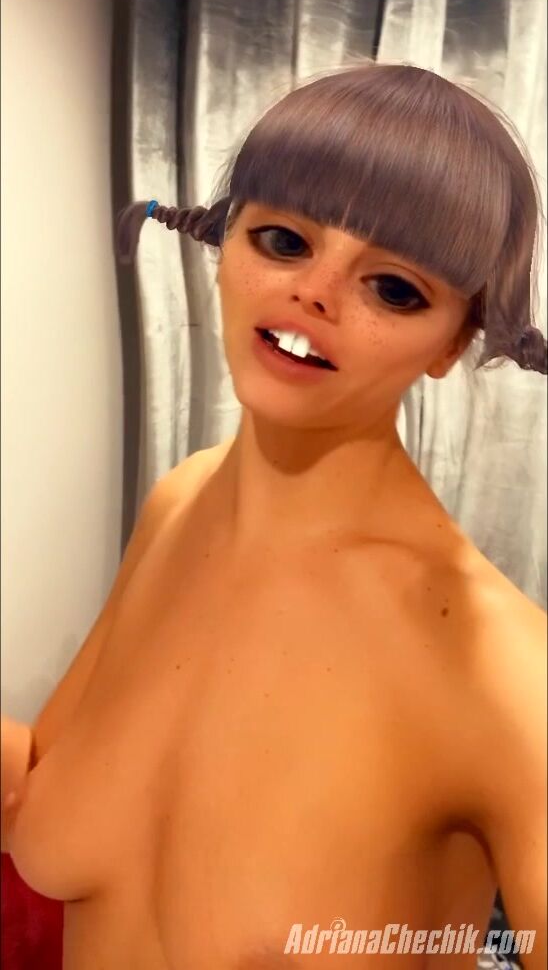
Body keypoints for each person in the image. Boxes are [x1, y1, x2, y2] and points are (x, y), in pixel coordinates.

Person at [2, 63, 547, 969]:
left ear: (454, 342)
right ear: (227, 243)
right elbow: (38, 782)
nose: (315, 293)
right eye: (284, 240)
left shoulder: (504, 669)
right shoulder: (179, 503)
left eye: (395, 288)